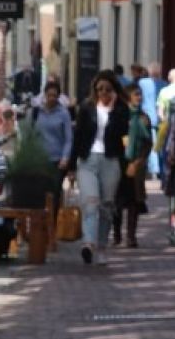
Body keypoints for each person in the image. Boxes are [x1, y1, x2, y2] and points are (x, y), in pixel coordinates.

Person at [69, 70, 130, 266]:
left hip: (110, 161)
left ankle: (102, 246)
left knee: (106, 206)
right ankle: (88, 244)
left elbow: (122, 133)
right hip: (88, 161)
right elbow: (77, 137)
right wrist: (71, 166)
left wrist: (112, 110)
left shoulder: (121, 110)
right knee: (91, 202)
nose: (103, 93)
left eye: (107, 89)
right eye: (99, 89)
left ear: (114, 89)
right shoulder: (86, 107)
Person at [113, 83, 153, 247]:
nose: (139, 97)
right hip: (120, 161)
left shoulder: (144, 118)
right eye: (136, 94)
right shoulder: (121, 116)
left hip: (137, 163)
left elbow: (148, 142)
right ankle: (116, 234)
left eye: (140, 94)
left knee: (134, 201)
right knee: (117, 199)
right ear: (128, 96)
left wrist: (139, 161)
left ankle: (131, 236)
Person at [29, 82, 74, 215]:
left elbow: (68, 138)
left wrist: (65, 158)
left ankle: (52, 224)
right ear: (45, 95)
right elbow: (31, 134)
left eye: (55, 95)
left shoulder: (63, 114)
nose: (52, 98)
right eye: (49, 95)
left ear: (58, 97)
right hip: (40, 160)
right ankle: (41, 225)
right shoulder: (37, 112)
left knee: (53, 193)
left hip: (57, 160)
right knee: (40, 192)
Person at [137, 61, 163, 177]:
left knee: (145, 143)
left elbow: (138, 98)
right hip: (157, 117)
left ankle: (151, 168)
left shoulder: (142, 82)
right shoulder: (159, 83)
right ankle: (156, 169)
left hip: (145, 116)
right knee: (157, 143)